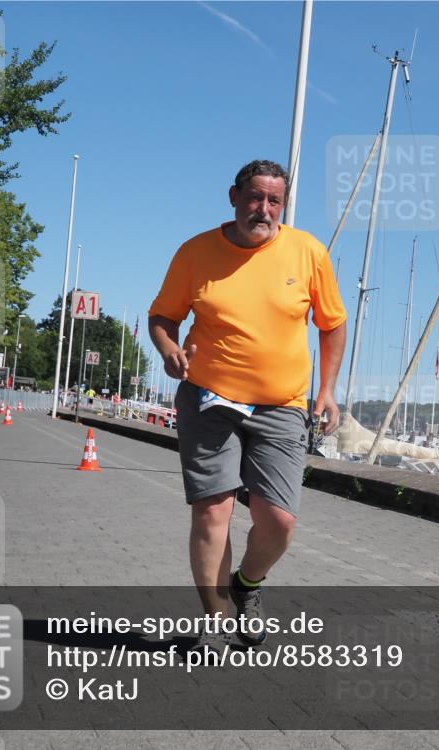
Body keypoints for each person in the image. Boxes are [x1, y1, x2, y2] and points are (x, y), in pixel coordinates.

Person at [148, 160, 346, 652]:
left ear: (283, 204)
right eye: (255, 197)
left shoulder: (308, 253)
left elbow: (332, 324)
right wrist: (170, 352)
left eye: (274, 201)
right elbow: (162, 316)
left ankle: (248, 583)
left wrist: (326, 391)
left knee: (278, 521)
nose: (264, 209)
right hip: (209, 397)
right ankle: (215, 623)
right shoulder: (195, 252)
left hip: (282, 405)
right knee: (212, 512)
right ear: (233, 196)